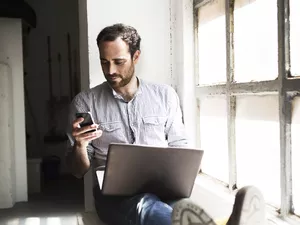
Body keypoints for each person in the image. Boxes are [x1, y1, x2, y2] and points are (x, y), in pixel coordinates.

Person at [66, 23, 266, 225]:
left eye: (119, 62)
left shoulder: (165, 95)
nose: (110, 70)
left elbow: (181, 146)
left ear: (136, 57)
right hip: (112, 199)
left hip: (163, 189)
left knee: (182, 207)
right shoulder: (85, 102)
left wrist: (185, 170)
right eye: (104, 62)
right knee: (145, 204)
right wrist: (80, 146)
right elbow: (77, 171)